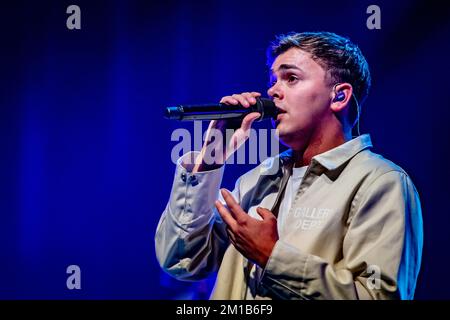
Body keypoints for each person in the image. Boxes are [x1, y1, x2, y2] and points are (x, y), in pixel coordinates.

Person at [155, 31, 423, 300]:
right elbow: (181, 260)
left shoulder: (380, 182)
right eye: (273, 81)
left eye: (291, 78)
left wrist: (274, 258)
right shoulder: (256, 180)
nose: (272, 91)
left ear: (339, 96)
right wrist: (211, 154)